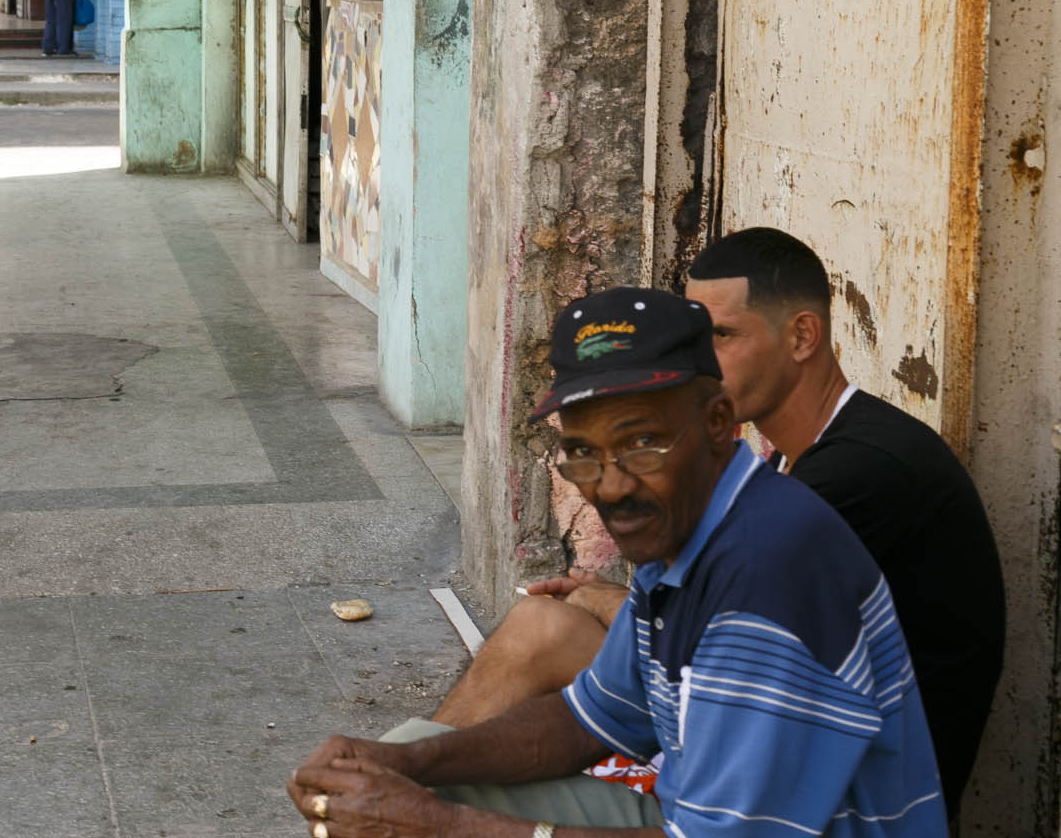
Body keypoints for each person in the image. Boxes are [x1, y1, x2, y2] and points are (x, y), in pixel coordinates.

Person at [289, 287, 948, 837]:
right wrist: (410, 759)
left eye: (643, 442)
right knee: (389, 779)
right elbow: (586, 719)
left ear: (720, 422)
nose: (610, 487)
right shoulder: (684, 532)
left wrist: (442, 825)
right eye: (583, 453)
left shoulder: (766, 575)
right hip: (682, 814)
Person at [428, 228, 1005, 821]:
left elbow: (748, 610)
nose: (700, 359)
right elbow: (617, 695)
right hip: (776, 710)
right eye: (585, 453)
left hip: (849, 785)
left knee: (541, 637)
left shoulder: (849, 480)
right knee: (538, 631)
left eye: (721, 336)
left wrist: (610, 602)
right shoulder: (771, 467)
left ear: (802, 336)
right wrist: (412, 766)